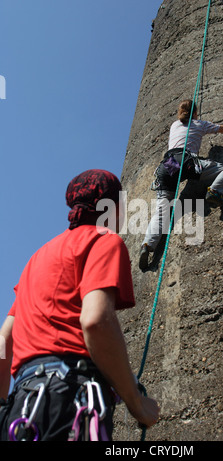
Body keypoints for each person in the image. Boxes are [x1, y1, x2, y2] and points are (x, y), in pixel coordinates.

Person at [0, 169, 159, 441]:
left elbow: (4, 341)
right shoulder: (103, 240)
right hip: (71, 399)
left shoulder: (37, 258)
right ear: (112, 206)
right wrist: (136, 402)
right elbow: (95, 321)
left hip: (22, 409)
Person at [139, 99, 223, 270]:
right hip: (186, 161)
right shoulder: (199, 124)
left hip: (167, 165)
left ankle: (147, 244)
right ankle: (215, 191)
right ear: (195, 112)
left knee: (162, 210)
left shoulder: (175, 125)